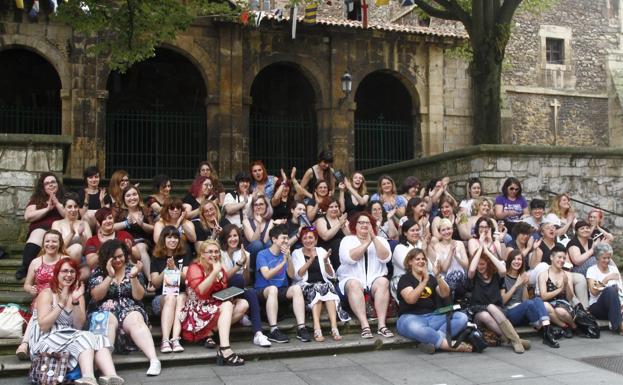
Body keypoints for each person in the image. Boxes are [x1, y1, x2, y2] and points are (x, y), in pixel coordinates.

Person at [30, 258, 123, 385]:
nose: (69, 275)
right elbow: (43, 326)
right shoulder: (47, 293)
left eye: (72, 272)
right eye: (64, 271)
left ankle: (111, 376)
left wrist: (75, 301)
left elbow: (78, 325)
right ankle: (89, 377)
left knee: (99, 339)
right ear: (57, 274)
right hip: (46, 338)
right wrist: (61, 304)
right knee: (85, 337)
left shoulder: (77, 294)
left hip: (69, 337)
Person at [88, 239, 160, 376]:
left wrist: (133, 277)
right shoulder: (99, 271)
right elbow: (96, 296)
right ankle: (104, 365)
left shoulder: (132, 269)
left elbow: (139, 296)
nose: (118, 260)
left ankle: (154, 360)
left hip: (130, 307)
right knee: (107, 320)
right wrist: (109, 276)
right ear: (106, 257)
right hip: (103, 309)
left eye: (120, 256)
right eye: (113, 257)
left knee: (136, 319)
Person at [180, 240, 248, 365]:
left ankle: (210, 332)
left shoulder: (219, 267)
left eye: (216, 252)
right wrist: (214, 272)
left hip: (213, 303)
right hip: (198, 309)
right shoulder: (194, 268)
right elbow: (201, 291)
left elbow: (222, 285)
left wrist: (237, 265)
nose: (214, 254)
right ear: (202, 254)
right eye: (210, 252)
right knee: (227, 305)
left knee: (243, 304)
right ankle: (225, 349)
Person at [396, 248, 470, 353]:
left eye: (423, 259)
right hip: (410, 318)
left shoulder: (431, 278)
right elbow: (410, 299)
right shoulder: (405, 279)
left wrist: (438, 276)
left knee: (462, 317)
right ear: (410, 262)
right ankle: (448, 345)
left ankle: (434, 342)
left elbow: (445, 293)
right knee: (417, 328)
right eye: (417, 259)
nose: (421, 261)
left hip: (432, 317)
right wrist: (424, 281)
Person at [467, 232, 530, 354]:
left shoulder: (495, 275)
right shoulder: (474, 277)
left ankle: (513, 340)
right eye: (479, 264)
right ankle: (516, 339)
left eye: (483, 264)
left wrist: (488, 252)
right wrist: (480, 248)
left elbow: (503, 269)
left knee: (491, 307)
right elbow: (471, 269)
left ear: (488, 264)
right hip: (477, 310)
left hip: (497, 310)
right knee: (485, 313)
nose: (480, 267)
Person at [337, 212, 394, 339]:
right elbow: (350, 258)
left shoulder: (380, 240)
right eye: (361, 222)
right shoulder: (347, 240)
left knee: (383, 282)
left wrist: (373, 238)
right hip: (351, 279)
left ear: (372, 225)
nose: (364, 225)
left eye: (367, 222)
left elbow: (386, 257)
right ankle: (365, 326)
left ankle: (382, 325)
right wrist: (366, 243)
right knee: (354, 284)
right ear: (354, 226)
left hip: (374, 280)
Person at [254, 225, 311, 343]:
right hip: (263, 290)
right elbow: (267, 275)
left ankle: (302, 328)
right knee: (273, 289)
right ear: (274, 239)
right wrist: (282, 263)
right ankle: (273, 330)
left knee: (296, 288)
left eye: (287, 238)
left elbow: (291, 275)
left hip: (281, 289)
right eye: (283, 238)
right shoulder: (262, 254)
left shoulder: (285, 254)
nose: (286, 241)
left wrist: (288, 259)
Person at [16, 230, 67, 360]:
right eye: (47, 241)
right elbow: (27, 284)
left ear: (60, 243)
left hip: (60, 297)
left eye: (54, 241)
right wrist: (30, 289)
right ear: (43, 244)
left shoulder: (66, 260)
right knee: (39, 307)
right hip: (40, 299)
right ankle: (27, 344)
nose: (51, 244)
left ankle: (26, 343)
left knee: (44, 308)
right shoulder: (35, 262)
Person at [218, 225, 271, 347]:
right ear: (225, 238)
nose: (233, 239)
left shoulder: (245, 253)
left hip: (238, 290)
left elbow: (246, 281)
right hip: (221, 292)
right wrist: (238, 264)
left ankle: (258, 334)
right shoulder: (219, 253)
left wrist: (245, 265)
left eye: (235, 235)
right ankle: (243, 313)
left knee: (250, 291)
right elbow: (224, 278)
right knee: (236, 278)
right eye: (229, 236)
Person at [291, 227, 343, 342]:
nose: (308, 240)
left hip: (322, 284)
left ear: (315, 239)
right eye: (305, 238)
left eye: (310, 237)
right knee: (317, 289)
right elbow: (297, 275)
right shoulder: (296, 253)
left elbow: (331, 275)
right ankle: (316, 327)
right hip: (305, 286)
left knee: (327, 287)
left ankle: (334, 328)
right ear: (301, 240)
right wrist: (310, 260)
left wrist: (325, 262)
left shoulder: (321, 251)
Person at [501, 250, 560, 348]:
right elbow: (502, 301)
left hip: (524, 312)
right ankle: (546, 331)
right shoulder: (503, 277)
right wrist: (516, 285)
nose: (517, 261)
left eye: (519, 259)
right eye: (514, 259)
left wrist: (524, 285)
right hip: (510, 313)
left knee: (537, 300)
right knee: (529, 304)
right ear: (509, 261)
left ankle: (546, 330)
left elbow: (525, 300)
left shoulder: (522, 276)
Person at [16, 172, 66, 280]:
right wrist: (47, 209)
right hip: (41, 228)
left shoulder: (65, 198)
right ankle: (25, 267)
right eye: (47, 183)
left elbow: (68, 215)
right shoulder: (37, 199)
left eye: (53, 182)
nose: (51, 185)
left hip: (60, 228)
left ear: (58, 184)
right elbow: (28, 216)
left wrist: (57, 203)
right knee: (37, 234)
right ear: (43, 187)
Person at [150, 226, 191, 353]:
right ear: (164, 239)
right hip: (161, 298)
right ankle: (165, 340)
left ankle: (175, 339)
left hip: (180, 296)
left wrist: (175, 269)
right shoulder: (156, 257)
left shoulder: (184, 255)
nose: (172, 240)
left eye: (175, 237)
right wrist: (167, 269)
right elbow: (155, 284)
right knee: (170, 296)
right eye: (169, 237)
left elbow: (187, 280)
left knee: (180, 297)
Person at [113, 185, 154, 277]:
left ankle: (150, 280)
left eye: (134, 194)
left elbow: (153, 229)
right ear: (124, 199)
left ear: (139, 196)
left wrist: (142, 224)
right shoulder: (119, 211)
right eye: (128, 195)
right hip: (122, 240)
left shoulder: (146, 210)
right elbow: (110, 227)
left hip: (141, 240)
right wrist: (126, 223)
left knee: (140, 248)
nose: (132, 198)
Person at [537, 245, 577, 338]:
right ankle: (565, 326)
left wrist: (566, 285)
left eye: (564, 258)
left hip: (563, 304)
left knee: (560, 311)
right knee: (545, 306)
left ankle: (574, 326)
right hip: (549, 304)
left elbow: (570, 298)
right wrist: (560, 289)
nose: (562, 260)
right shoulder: (543, 275)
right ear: (551, 257)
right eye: (559, 257)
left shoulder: (567, 274)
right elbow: (543, 296)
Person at [586, 243, 623, 335]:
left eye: (608, 258)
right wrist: (606, 279)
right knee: (610, 290)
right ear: (598, 258)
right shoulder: (592, 270)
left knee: (614, 290)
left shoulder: (613, 269)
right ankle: (618, 326)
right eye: (604, 258)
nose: (607, 260)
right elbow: (593, 292)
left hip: (616, 305)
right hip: (597, 306)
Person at [430, 218, 468, 299]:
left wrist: (457, 257)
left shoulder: (460, 243)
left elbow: (466, 265)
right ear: (440, 232)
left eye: (448, 229)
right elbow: (444, 268)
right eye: (443, 230)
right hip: (447, 282)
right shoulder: (437, 246)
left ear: (452, 229)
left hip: (461, 279)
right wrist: (451, 252)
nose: (446, 232)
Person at [391, 219, 428, 301]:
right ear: (405, 233)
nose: (415, 233)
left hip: (421, 278)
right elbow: (409, 267)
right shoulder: (399, 248)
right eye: (412, 230)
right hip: (403, 280)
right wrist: (424, 251)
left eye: (417, 230)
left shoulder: (422, 244)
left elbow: (431, 267)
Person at [51, 192, 92, 263]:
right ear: (64, 208)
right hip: (62, 258)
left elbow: (89, 248)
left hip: (82, 260)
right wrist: (71, 233)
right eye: (69, 207)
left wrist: (81, 235)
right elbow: (57, 248)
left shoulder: (84, 224)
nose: (73, 210)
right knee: (77, 248)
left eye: (75, 207)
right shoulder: (57, 223)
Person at [315, 198, 349, 269]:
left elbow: (349, 237)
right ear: (326, 209)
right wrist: (339, 224)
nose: (334, 209)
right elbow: (325, 236)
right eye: (331, 207)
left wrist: (343, 226)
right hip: (327, 252)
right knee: (337, 243)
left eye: (336, 206)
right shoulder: (321, 220)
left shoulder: (343, 220)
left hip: (343, 252)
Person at [76, 166, 109, 231]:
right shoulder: (81, 193)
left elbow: (107, 214)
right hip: (86, 223)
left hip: (100, 223)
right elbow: (82, 215)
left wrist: (102, 201)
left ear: (99, 178)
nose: (94, 180)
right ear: (86, 179)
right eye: (90, 177)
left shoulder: (104, 192)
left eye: (96, 177)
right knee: (89, 215)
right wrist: (86, 201)